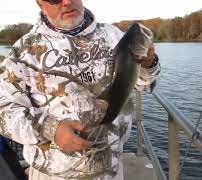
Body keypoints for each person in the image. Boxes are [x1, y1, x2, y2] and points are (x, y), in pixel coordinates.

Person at [0, 0, 160, 179]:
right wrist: (50, 128)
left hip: (111, 167)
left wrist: (149, 64)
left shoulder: (114, 35)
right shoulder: (23, 52)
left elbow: (145, 86)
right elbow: (3, 110)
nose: (67, 2)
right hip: (54, 174)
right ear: (40, 4)